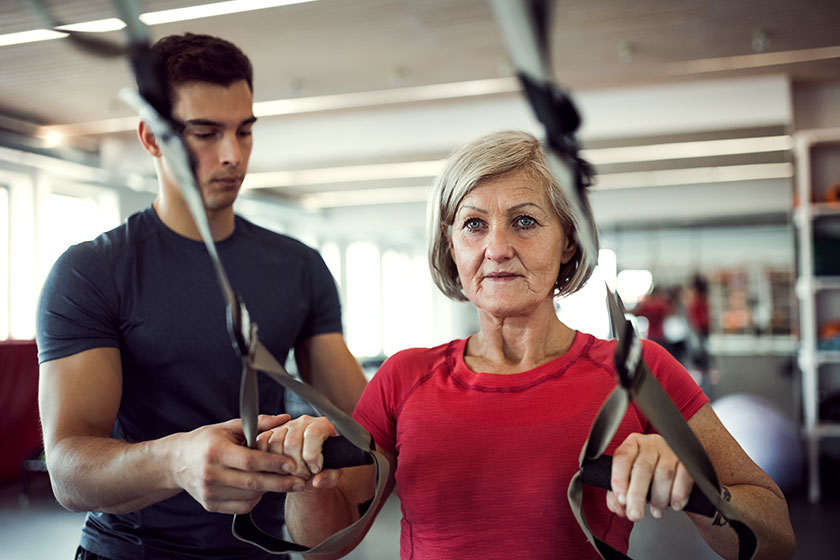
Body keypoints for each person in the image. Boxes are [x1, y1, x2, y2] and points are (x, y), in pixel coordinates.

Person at [266, 130, 795, 559]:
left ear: (568, 241)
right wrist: (304, 475)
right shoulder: (404, 378)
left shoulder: (636, 372)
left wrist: (695, 487)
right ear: (451, 247)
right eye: (474, 224)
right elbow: (322, 544)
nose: (497, 247)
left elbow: (775, 540)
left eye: (524, 221)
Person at [35, 33, 366, 560]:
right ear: (150, 137)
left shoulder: (298, 266)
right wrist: (175, 462)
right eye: (205, 133)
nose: (232, 155)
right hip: (131, 552)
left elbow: (364, 423)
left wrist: (321, 443)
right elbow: (69, 474)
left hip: (261, 551)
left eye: (244, 131)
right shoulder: (92, 271)